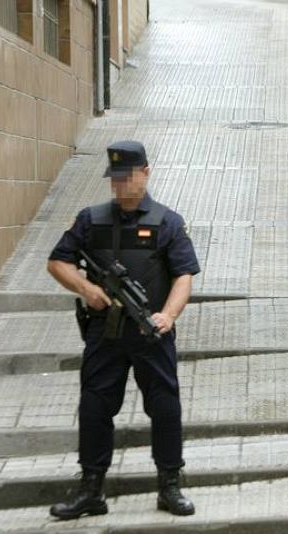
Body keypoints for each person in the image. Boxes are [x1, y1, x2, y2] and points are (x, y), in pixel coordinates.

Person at [47, 141, 199, 519]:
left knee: (164, 407)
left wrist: (169, 315)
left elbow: (184, 276)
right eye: (115, 178)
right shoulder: (90, 219)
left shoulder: (168, 222)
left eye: (127, 176)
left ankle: (170, 485)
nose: (120, 185)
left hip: (151, 333)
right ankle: (91, 490)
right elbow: (57, 262)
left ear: (146, 172)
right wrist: (88, 289)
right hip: (105, 334)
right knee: (95, 408)